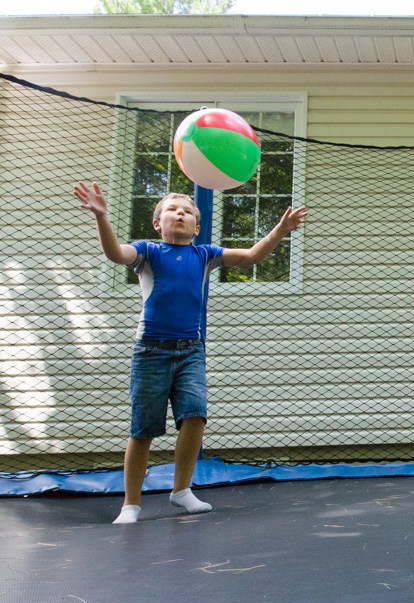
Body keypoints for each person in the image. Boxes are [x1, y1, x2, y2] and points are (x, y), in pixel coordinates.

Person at [73, 181, 307, 524]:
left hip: (190, 349)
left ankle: (181, 491)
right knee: (143, 430)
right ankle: (131, 504)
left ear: (196, 227)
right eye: (171, 209)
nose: (179, 213)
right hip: (151, 351)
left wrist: (281, 230)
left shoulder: (204, 255)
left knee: (195, 414)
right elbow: (115, 254)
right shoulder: (147, 252)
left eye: (187, 211)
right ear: (158, 223)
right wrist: (102, 217)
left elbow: (252, 256)